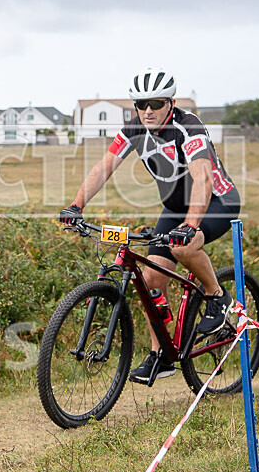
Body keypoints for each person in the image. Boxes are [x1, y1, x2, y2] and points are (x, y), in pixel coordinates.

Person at [59, 68, 240, 384]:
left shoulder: (189, 128)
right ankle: (161, 356)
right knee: (151, 277)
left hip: (216, 201)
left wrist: (192, 224)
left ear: (170, 102)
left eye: (155, 103)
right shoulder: (132, 129)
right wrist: (76, 205)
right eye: (140, 105)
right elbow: (104, 167)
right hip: (174, 208)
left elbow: (203, 178)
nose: (148, 111)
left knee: (184, 245)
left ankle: (217, 296)